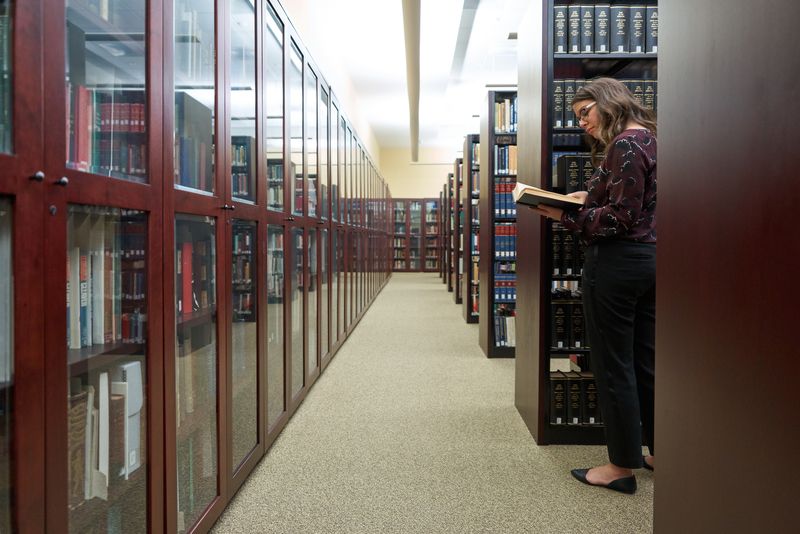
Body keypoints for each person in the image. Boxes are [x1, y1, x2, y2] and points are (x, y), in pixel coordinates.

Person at [533, 77, 657, 494]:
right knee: (646, 360)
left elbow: (619, 219)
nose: (582, 123)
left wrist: (561, 214)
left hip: (617, 265)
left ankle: (620, 466)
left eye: (585, 112)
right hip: (652, 262)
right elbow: (640, 207)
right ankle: (658, 449)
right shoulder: (653, 140)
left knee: (612, 365)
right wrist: (589, 198)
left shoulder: (623, 145)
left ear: (608, 102)